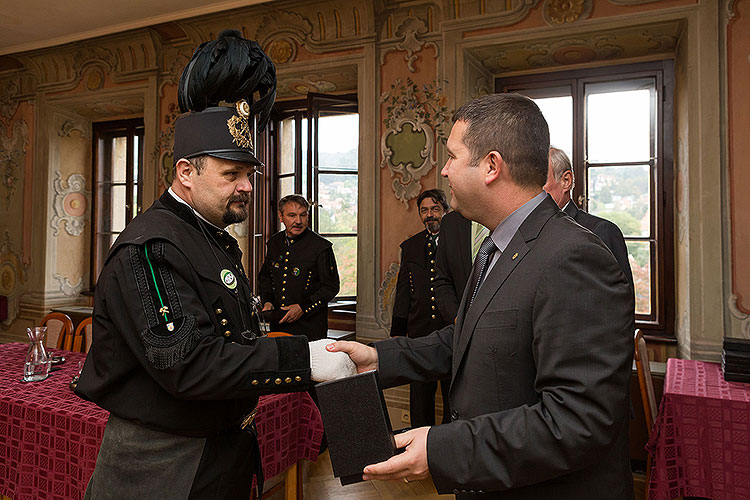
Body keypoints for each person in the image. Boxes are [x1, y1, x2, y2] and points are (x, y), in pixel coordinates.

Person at [75, 30, 354, 500]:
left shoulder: (210, 237)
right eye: (231, 174)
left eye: (249, 174)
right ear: (186, 172)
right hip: (162, 463)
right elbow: (187, 362)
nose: (247, 186)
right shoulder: (150, 246)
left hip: (222, 450)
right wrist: (302, 358)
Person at [330, 93, 635, 499]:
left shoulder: (573, 257)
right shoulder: (498, 246)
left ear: (491, 166)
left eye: (453, 156)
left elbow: (579, 420)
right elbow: (471, 338)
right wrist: (380, 357)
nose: (444, 170)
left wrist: (442, 448)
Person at [390, 189, 452, 427]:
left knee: (451, 395)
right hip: (418, 333)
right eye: (424, 211)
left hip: (449, 331)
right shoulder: (411, 247)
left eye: (435, 209)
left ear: (445, 211)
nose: (430, 215)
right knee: (419, 397)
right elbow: (403, 292)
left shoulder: (455, 242)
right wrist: (398, 330)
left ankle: (447, 449)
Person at [545, 146, 634, 291]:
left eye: (540, 181)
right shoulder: (525, 232)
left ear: (566, 181)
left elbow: (619, 303)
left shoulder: (601, 231)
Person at [258, 194, 340, 340]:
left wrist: (302, 308)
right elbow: (265, 276)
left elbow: (331, 287)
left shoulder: (321, 247)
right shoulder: (274, 243)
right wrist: (268, 301)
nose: (298, 221)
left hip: (310, 326)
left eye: (303, 215)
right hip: (279, 323)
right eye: (292, 215)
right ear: (281, 216)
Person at [433, 210, 488, 324]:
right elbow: (443, 280)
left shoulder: (510, 213)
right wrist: (457, 318)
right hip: (460, 329)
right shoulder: (450, 222)